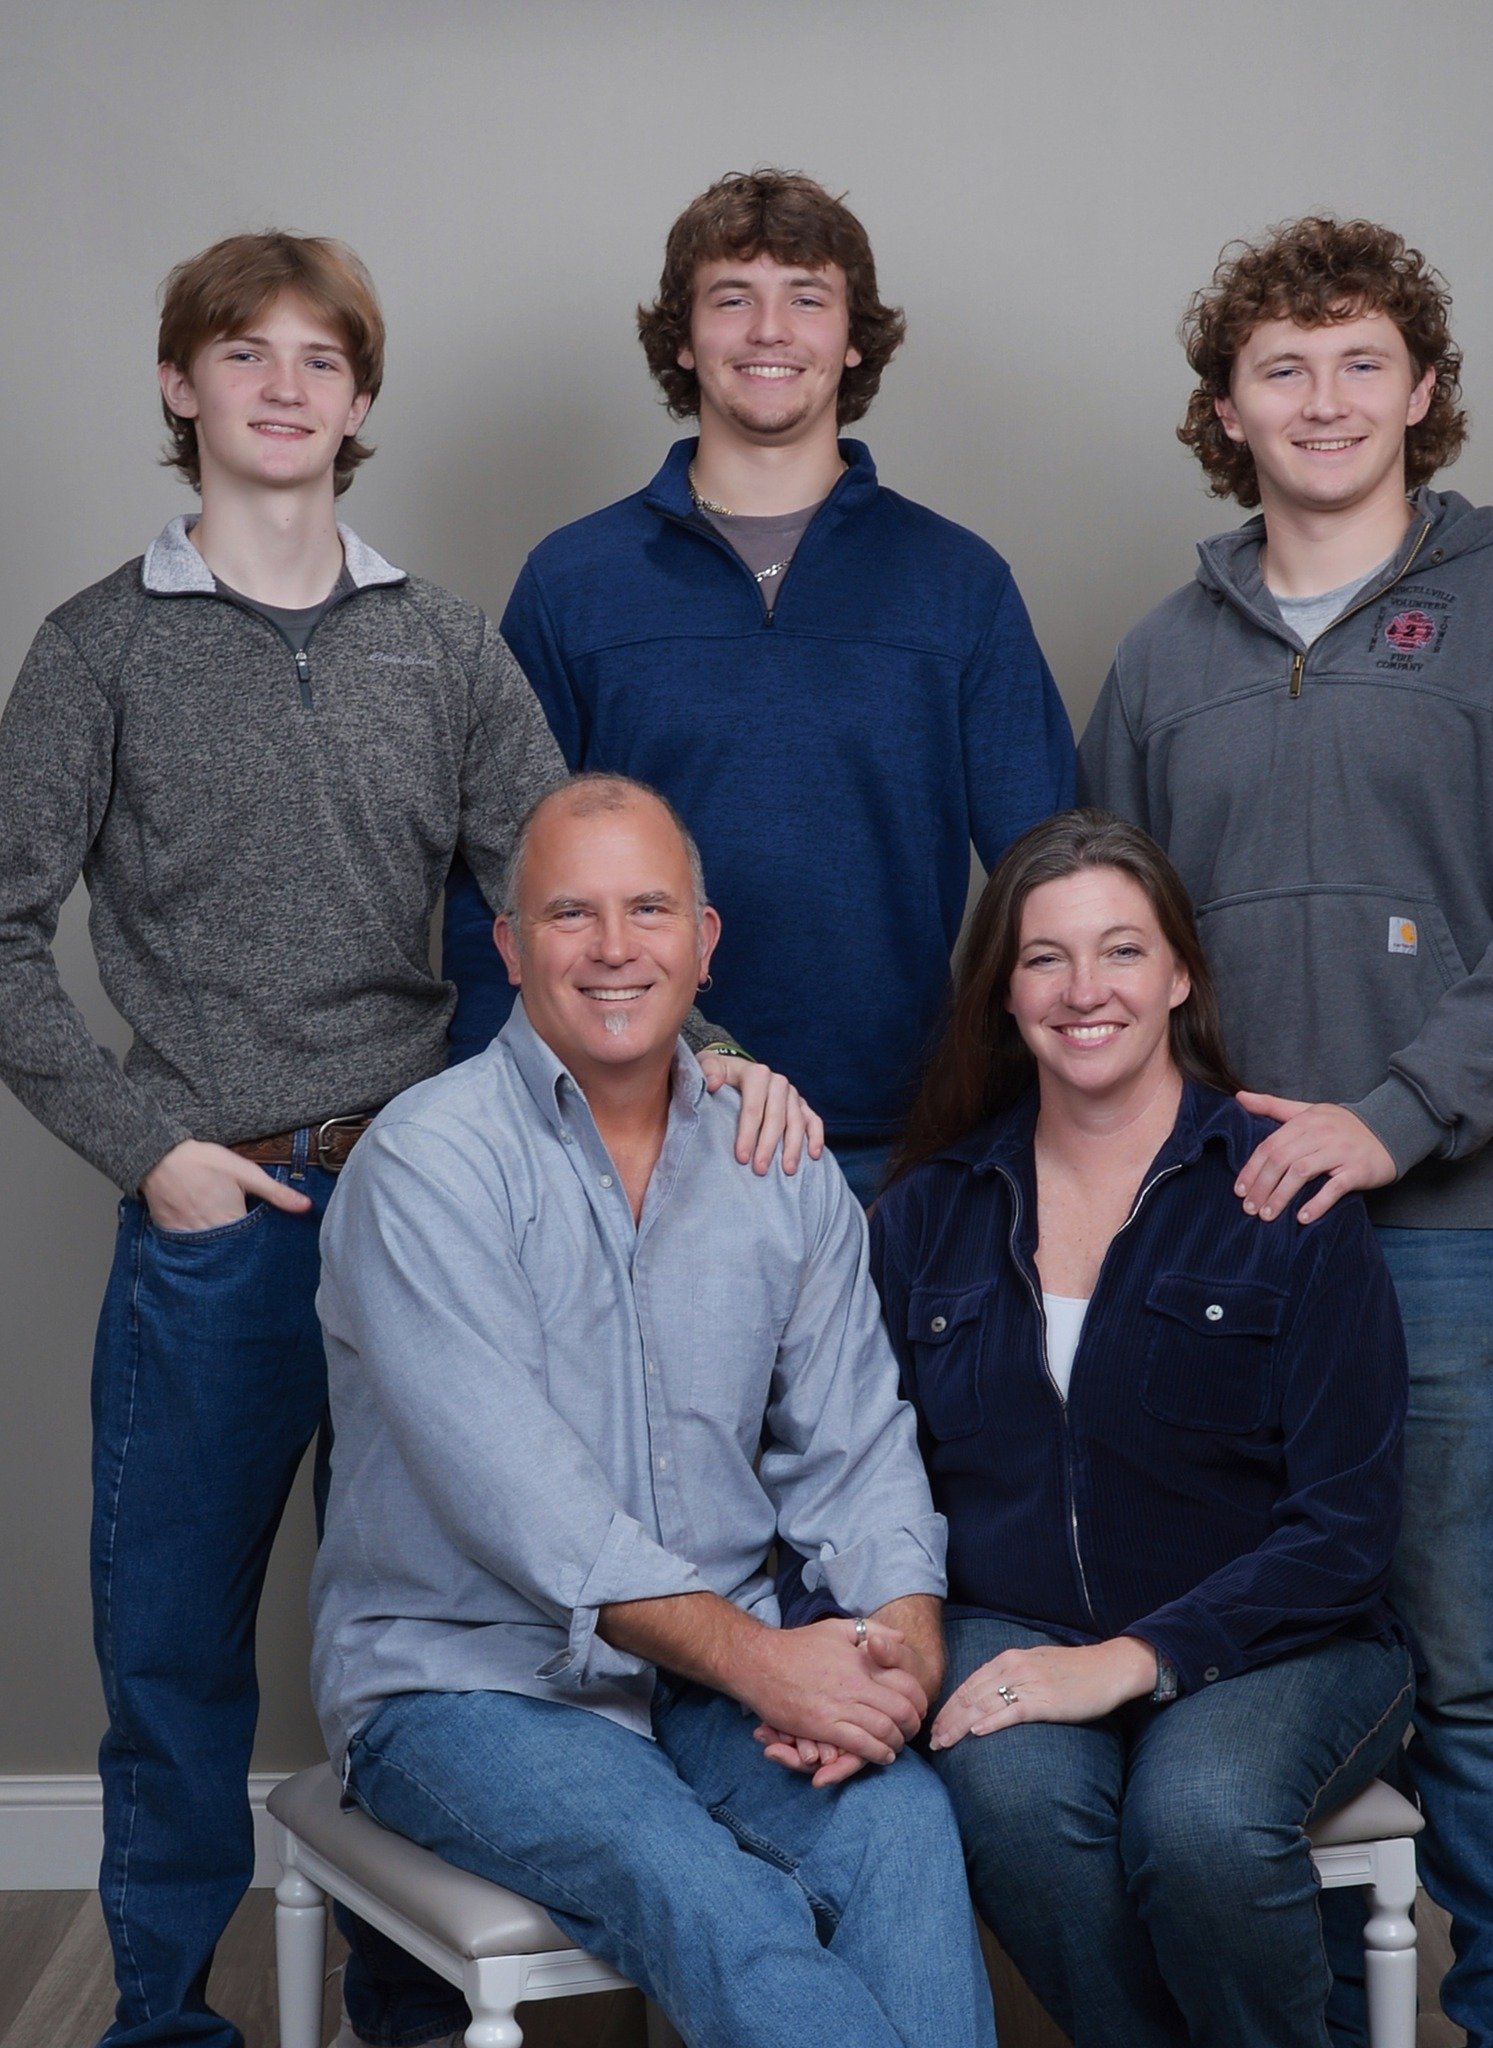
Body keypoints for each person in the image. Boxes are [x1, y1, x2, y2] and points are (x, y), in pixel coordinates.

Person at [0, 232, 814, 2048]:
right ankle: (161, 2023)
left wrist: (722, 1057)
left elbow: (578, 894)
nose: (282, 387)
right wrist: (149, 1151)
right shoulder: (96, 648)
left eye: (319, 359)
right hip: (217, 1219)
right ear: (180, 384)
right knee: (174, 1647)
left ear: (360, 398)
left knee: (440, 1631)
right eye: (244, 353)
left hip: (432, 1209)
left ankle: (414, 2010)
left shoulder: (440, 643)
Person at [1079, 215, 1493, 2048]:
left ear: (1419, 391)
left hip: (1439, 1232)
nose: (1321, 400)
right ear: (1223, 410)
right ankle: (1312, 2005)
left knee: (1463, 1645)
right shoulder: (1161, 659)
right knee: (1267, 1640)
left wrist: (1396, 1117)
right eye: (1280, 367)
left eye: (1358, 362)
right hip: (1224, 1235)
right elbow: (1110, 942)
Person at [311, 774, 996, 2048]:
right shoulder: (425, 1168)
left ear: (704, 938)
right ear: (511, 945)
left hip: (707, 1678)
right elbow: (532, 1510)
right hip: (470, 1682)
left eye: (649, 908)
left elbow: (857, 1448)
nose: (614, 947)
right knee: (714, 1899)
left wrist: (899, 1649)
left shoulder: (777, 1164)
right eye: (570, 913)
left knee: (902, 1825)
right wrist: (772, 1665)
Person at [785, 807, 1408, 2048]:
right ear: (1004, 993)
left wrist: (1131, 1657)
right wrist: (837, 1648)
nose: (1085, 990)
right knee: (1008, 1798)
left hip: (1282, 1636)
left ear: (1180, 974)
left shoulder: (1285, 1191)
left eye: (1123, 950)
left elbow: (1348, 1526)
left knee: (1201, 1819)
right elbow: (850, 1468)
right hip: (1006, 1619)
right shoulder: (925, 1211)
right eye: (1046, 957)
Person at [441, 166, 1077, 1203]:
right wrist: (504, 1123)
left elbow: (1051, 875)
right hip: (631, 1129)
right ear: (684, 339)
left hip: (903, 1145)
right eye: (732, 298)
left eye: (807, 299)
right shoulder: (574, 581)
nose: (769, 330)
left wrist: (1062, 1114)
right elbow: (500, 877)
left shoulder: (958, 583)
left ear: (854, 338)